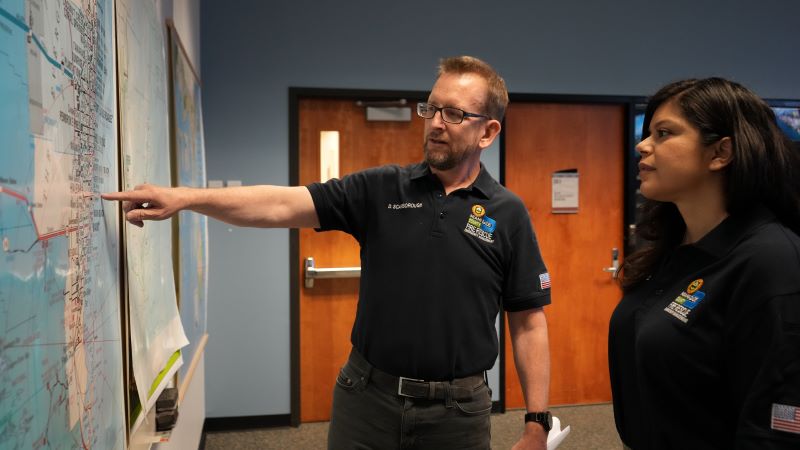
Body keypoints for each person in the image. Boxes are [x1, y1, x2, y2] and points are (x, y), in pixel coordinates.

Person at [104, 56, 552, 450]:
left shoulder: (507, 213)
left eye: (453, 113)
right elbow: (280, 204)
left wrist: (536, 422)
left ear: (488, 131)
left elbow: (528, 321)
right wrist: (184, 198)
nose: (435, 122)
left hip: (459, 413)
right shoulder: (381, 189)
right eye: (430, 108)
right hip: (367, 401)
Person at [609, 77, 800, 449]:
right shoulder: (674, 250)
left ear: (721, 152)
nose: (642, 146)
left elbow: (776, 429)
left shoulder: (772, 261)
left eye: (664, 134)